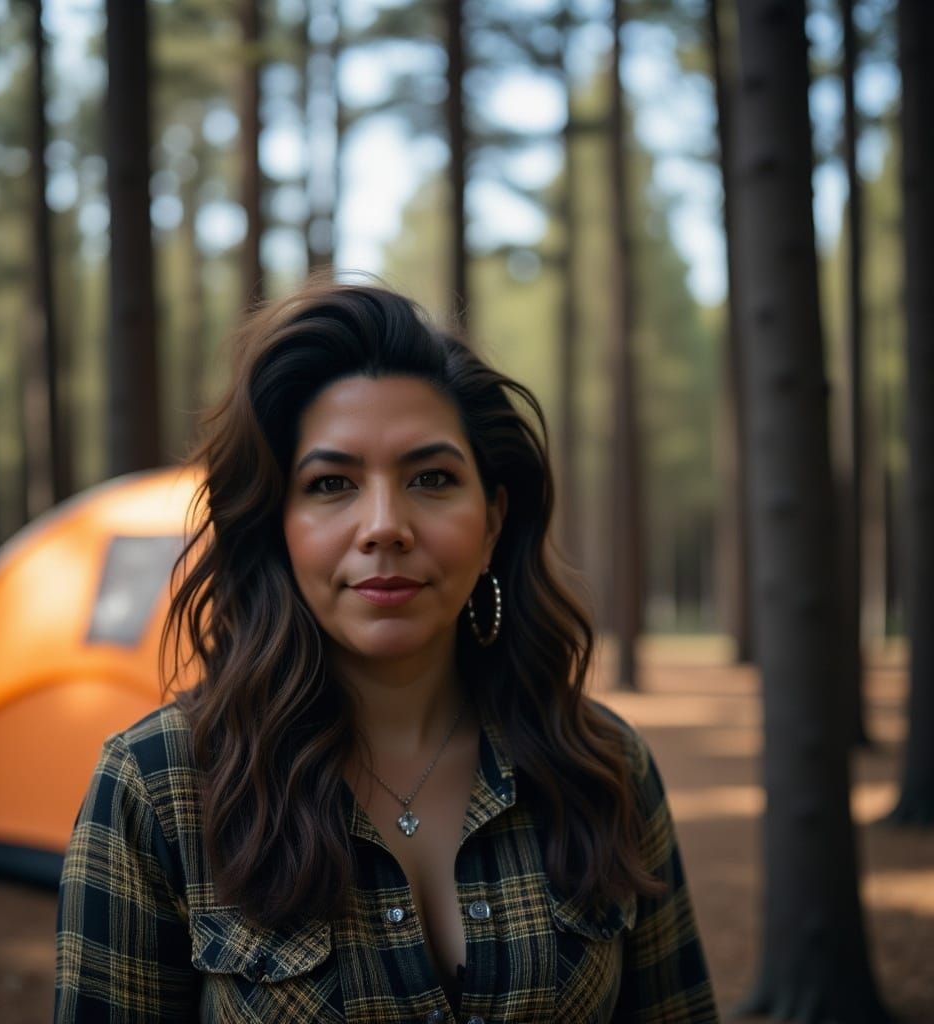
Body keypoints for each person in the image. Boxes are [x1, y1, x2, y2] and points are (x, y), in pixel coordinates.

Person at [55, 282, 718, 1023]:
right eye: (331, 483)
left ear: (492, 519)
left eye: (431, 479)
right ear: (279, 525)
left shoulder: (602, 767)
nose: (384, 526)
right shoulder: (157, 790)